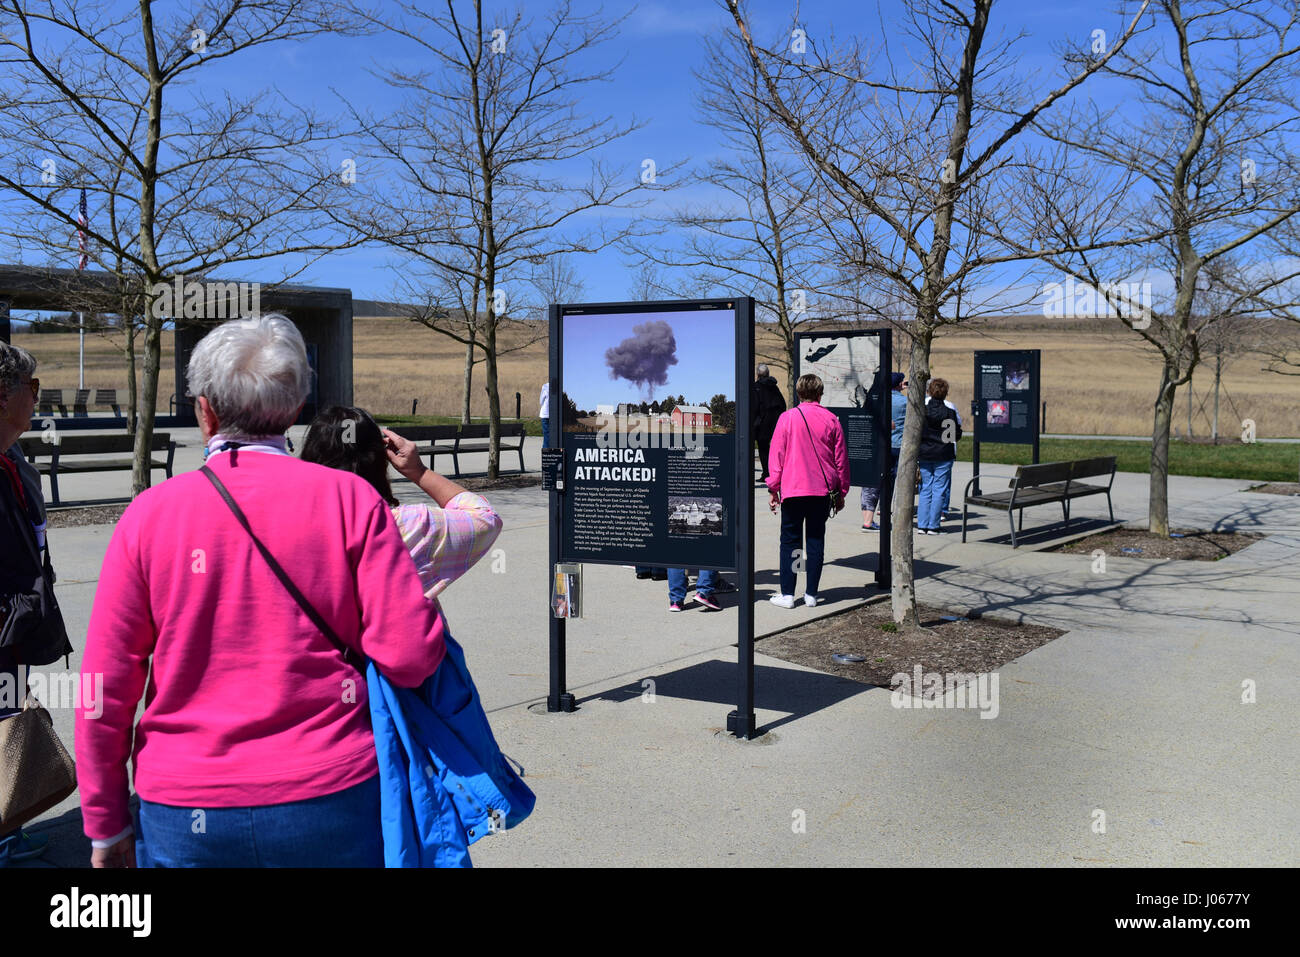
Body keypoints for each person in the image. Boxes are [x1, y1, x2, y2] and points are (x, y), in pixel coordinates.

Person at [75, 315, 449, 868]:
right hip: (328, 791)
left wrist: (105, 826)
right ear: (296, 409)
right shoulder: (351, 500)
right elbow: (411, 656)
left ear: (204, 411)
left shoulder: (148, 514)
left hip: (185, 802)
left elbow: (102, 686)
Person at [299, 406, 502, 602]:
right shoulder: (406, 526)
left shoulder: (284, 526)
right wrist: (418, 471)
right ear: (380, 459)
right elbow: (485, 517)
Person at [0, 341, 71, 866]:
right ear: (4, 396)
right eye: (33, 387)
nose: (37, 398)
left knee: (8, 724)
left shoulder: (10, 458)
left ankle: (6, 824)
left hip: (14, 626)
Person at [765, 374, 849, 608]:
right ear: (820, 393)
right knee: (815, 540)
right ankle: (811, 593)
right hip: (821, 491)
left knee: (792, 543)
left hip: (793, 489)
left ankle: (789, 594)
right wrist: (841, 491)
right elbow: (841, 460)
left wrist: (774, 487)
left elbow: (777, 455)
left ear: (798, 393)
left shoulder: (787, 418)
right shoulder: (832, 419)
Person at [860, 372, 908, 531]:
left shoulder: (876, 399)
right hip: (896, 445)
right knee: (890, 481)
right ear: (898, 384)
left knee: (871, 483)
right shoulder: (905, 402)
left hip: (877, 445)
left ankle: (867, 519)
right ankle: (884, 510)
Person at [917, 377, 962, 535]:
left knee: (925, 489)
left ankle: (922, 524)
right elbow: (953, 436)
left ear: (929, 391)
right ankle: (934, 525)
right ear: (945, 393)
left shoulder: (923, 410)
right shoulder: (949, 412)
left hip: (925, 453)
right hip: (943, 453)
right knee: (939, 490)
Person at [751, 364, 786, 484]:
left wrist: (755, 422)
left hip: (762, 424)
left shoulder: (756, 387)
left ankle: (767, 473)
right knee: (774, 448)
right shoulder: (774, 387)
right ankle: (774, 473)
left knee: (763, 448)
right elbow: (782, 404)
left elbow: (754, 407)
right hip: (775, 422)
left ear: (758, 374)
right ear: (768, 373)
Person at [539, 381, 550, 449]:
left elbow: (541, 401)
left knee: (546, 435)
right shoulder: (560, 385)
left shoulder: (546, 386)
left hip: (545, 413)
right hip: (555, 415)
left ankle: (546, 453)